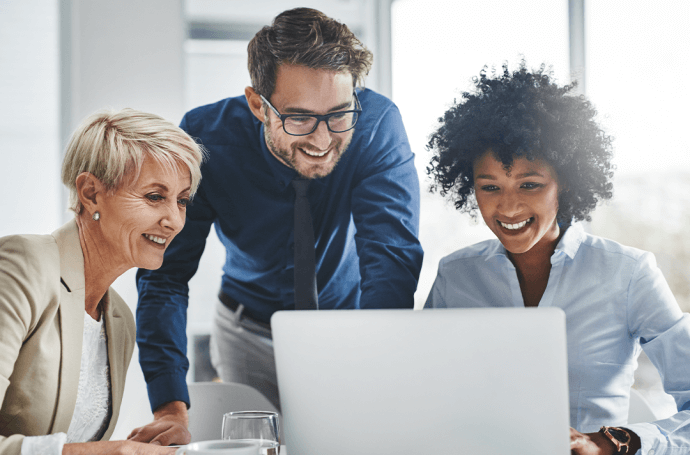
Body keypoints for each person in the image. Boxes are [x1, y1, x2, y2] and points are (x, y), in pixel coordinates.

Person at [133, 7, 423, 443]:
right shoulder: (205, 138)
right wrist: (169, 405)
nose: (323, 141)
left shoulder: (376, 125)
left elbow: (390, 258)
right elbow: (165, 276)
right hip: (247, 328)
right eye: (300, 118)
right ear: (258, 105)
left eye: (339, 114)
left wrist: (375, 367)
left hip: (350, 326)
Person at [424, 63, 690, 455]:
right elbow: (419, 390)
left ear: (565, 182)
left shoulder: (628, 273)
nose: (508, 206)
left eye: (529, 184)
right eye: (490, 187)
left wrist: (614, 442)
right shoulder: (456, 275)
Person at [0, 108, 205, 455]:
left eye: (182, 200)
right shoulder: (22, 266)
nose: (174, 220)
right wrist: (118, 452)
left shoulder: (119, 319)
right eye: (155, 197)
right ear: (91, 193)